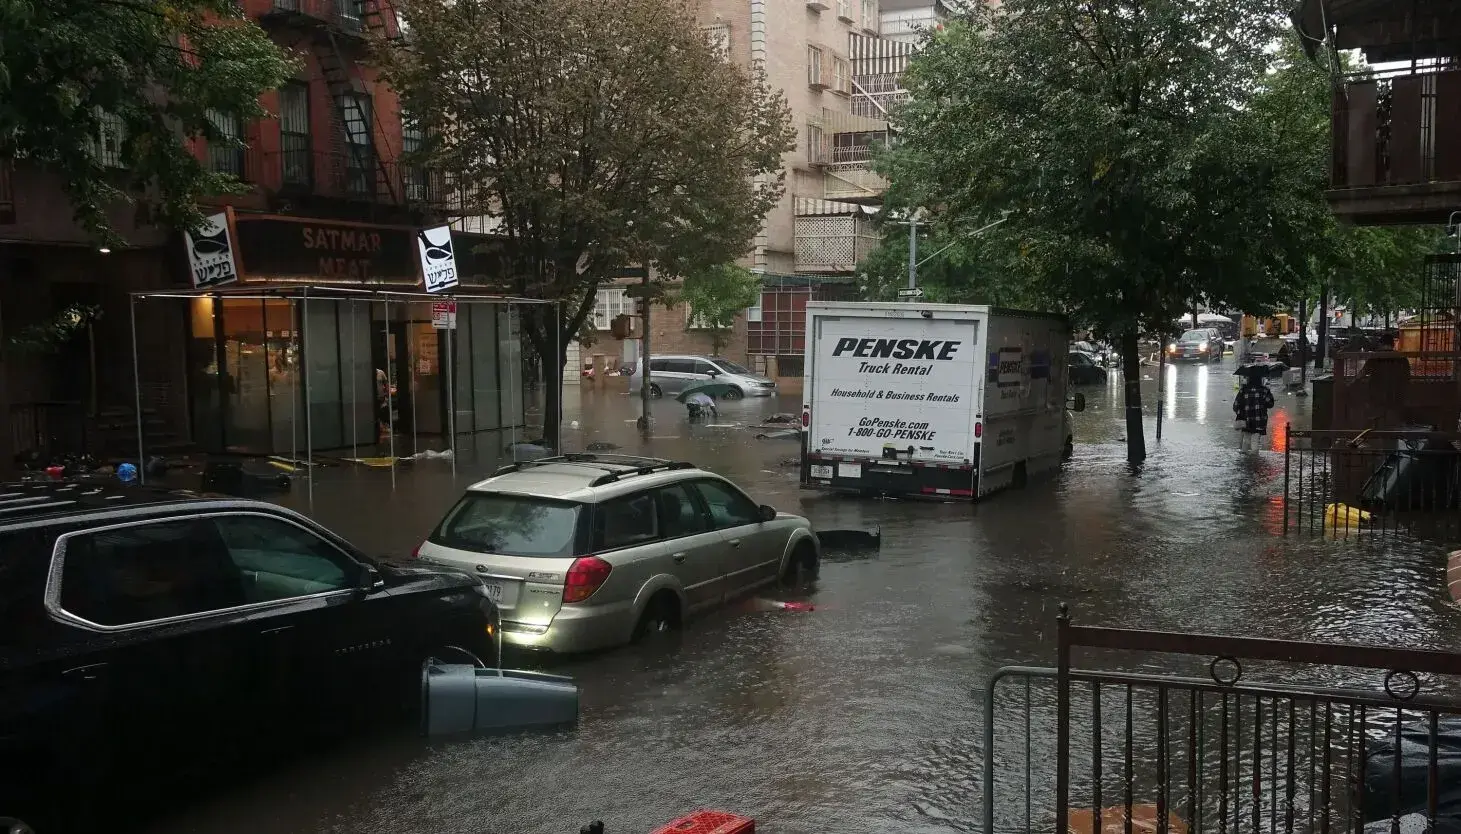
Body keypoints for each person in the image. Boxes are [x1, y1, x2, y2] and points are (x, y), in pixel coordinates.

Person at [1233, 373, 1275, 450]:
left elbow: (1235, 406)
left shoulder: (1243, 390)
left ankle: (1245, 459)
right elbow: (1270, 404)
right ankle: (1254, 459)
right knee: (1255, 440)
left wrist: (1241, 413)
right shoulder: (1264, 390)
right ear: (1260, 379)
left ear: (1249, 379)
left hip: (1246, 420)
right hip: (1259, 421)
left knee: (1246, 439)